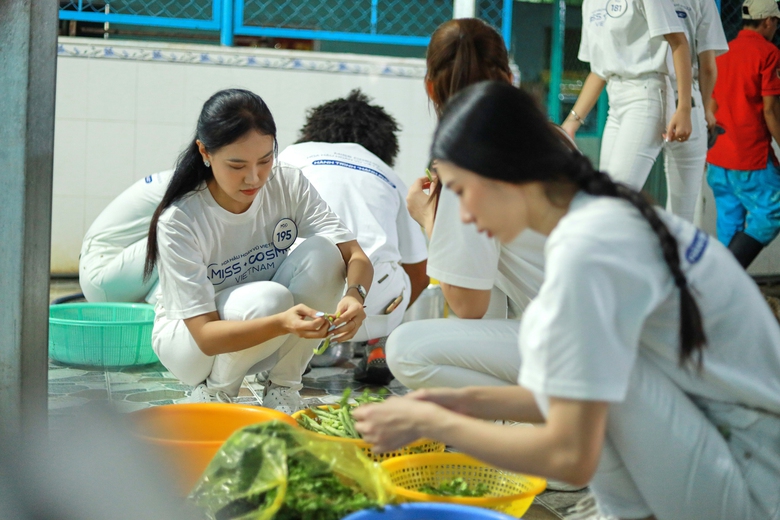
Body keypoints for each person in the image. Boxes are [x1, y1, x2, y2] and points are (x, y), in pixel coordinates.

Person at [354, 82, 780, 520]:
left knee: (594, 377)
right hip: (730, 449)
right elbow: (562, 396)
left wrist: (433, 423)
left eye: (461, 191)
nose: (461, 215)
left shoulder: (588, 247)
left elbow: (571, 453)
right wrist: (445, 405)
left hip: (754, 481)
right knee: (579, 364)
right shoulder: (595, 216)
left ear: (503, 174)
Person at [146, 89, 373, 413]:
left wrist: (355, 295)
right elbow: (206, 336)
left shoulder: (287, 183)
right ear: (205, 152)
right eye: (236, 165)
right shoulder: (181, 219)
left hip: (265, 328)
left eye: (265, 160)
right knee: (270, 299)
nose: (253, 178)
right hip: (192, 347)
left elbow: (355, 255)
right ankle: (216, 393)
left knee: (325, 254)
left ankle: (283, 387)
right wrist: (282, 323)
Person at [387, 18, 547, 390]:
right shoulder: (553, 137)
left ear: (430, 87)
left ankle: (552, 410)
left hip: (585, 347)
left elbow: (467, 306)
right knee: (484, 274)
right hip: (626, 330)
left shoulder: (467, 160)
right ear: (509, 79)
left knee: (406, 348)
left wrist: (428, 218)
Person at [278, 89, 429, 385]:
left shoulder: (292, 156)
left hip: (298, 303)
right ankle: (378, 344)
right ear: (386, 145)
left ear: (313, 130)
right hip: (372, 304)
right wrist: (382, 315)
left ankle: (288, 352)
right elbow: (420, 273)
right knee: (396, 269)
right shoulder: (388, 175)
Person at [562, 0, 693, 190]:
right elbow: (599, 70)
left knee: (616, 195)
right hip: (615, 102)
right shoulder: (590, 3)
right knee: (604, 192)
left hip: (646, 95)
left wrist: (684, 108)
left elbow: (679, 42)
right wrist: (571, 123)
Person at [706, 0, 780, 268]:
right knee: (773, 211)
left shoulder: (723, 51)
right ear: (768, 21)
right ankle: (725, 276)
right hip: (750, 158)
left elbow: (711, 105)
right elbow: (770, 110)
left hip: (718, 158)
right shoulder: (768, 53)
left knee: (729, 224)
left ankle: (722, 287)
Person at [663, 0, 728, 223]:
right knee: (682, 212)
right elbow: (708, 67)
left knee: (622, 192)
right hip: (687, 101)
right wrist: (705, 110)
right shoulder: (703, 2)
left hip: (641, 92)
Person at [79, 170, 172, 303]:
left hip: (103, 272)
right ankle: (157, 310)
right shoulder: (185, 188)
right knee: (181, 238)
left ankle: (159, 309)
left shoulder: (177, 178)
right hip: (103, 274)